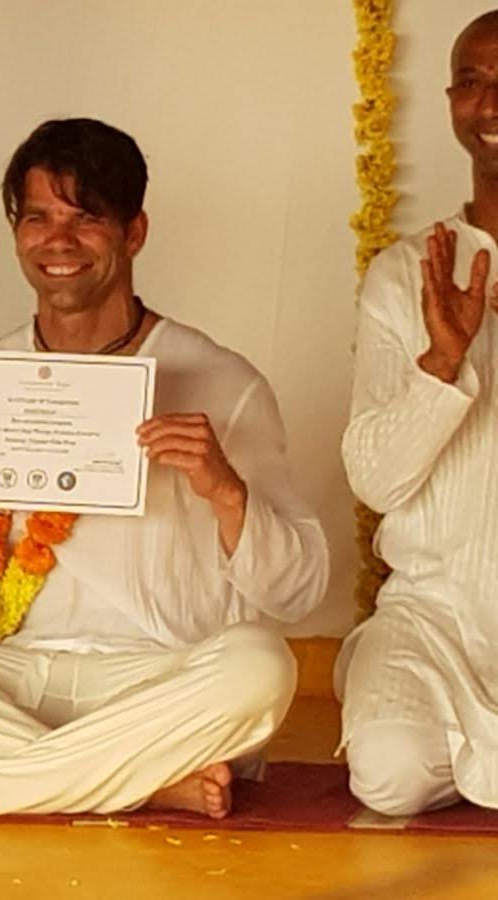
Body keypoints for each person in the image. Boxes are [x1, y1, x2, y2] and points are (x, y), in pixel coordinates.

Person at [0, 118, 328, 820]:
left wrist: (226, 492)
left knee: (261, 668)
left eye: (86, 219)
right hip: (15, 677)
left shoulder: (223, 382)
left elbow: (298, 592)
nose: (59, 241)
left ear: (134, 232)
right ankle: (134, 784)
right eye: (38, 218)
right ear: (17, 231)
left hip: (156, 676)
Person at [336, 11, 498, 817]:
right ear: (450, 102)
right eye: (471, 82)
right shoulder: (406, 275)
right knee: (390, 775)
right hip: (433, 613)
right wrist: (443, 363)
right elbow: (374, 480)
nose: (491, 103)